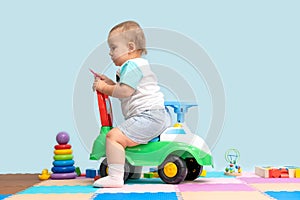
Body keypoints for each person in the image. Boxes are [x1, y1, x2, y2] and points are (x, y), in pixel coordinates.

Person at [92, 21, 171, 188]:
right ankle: (133, 170)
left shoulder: (133, 65)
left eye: (113, 48)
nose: (110, 53)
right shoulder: (137, 65)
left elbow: (125, 91)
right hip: (156, 115)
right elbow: (126, 88)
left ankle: (115, 177)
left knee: (113, 137)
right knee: (125, 139)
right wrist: (110, 83)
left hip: (148, 116)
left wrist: (103, 88)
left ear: (130, 47)